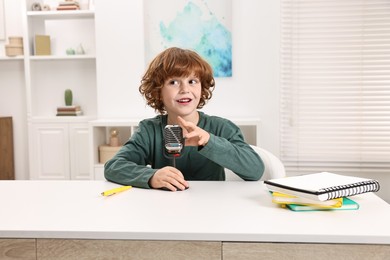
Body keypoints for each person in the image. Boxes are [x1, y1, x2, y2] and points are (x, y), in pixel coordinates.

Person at [104, 47, 264, 191]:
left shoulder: (221, 127)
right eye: (173, 82)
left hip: (212, 210)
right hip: (165, 210)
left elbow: (255, 170)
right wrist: (151, 176)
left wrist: (209, 141)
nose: (185, 89)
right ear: (158, 91)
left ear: (202, 88)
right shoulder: (149, 130)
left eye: (192, 81)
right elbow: (113, 166)